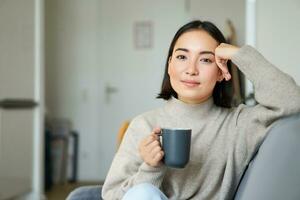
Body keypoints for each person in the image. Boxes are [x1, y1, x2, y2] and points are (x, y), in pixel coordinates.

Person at [101, 20, 300, 200]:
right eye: (181, 57)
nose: (191, 69)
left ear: (222, 72)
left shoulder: (239, 124)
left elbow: (292, 100)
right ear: (169, 66)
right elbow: (111, 195)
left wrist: (239, 54)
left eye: (205, 59)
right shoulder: (144, 126)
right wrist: (151, 168)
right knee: (143, 193)